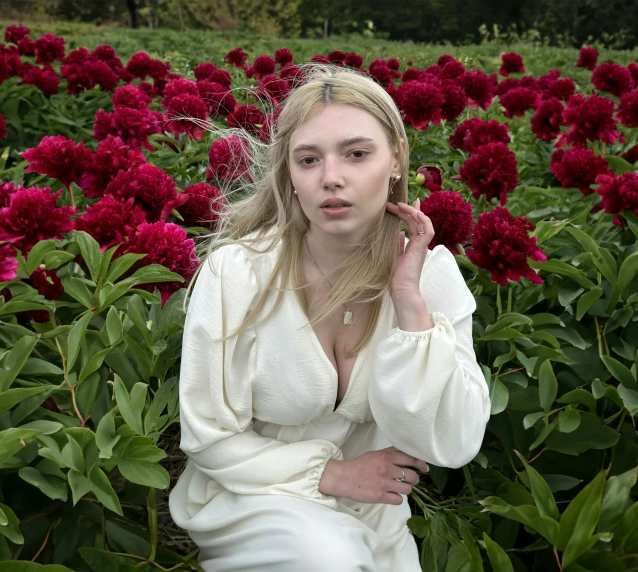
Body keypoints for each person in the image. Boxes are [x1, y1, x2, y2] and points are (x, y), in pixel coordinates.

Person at [168, 63, 492, 572]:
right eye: (308, 159)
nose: (331, 177)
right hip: (253, 501)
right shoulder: (239, 272)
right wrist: (332, 474)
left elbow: (453, 441)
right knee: (327, 559)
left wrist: (409, 302)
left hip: (375, 517)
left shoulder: (430, 276)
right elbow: (207, 436)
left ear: (396, 160)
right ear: (290, 174)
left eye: (357, 154)